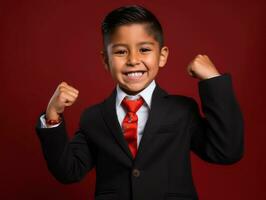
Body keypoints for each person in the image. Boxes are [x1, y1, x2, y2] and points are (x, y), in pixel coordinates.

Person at [35, 5, 244, 200]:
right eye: (120, 51)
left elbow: (226, 151)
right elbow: (68, 171)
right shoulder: (94, 118)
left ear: (162, 56)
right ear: (105, 60)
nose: (133, 60)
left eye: (144, 49)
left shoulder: (182, 110)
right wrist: (52, 116)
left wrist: (213, 80)